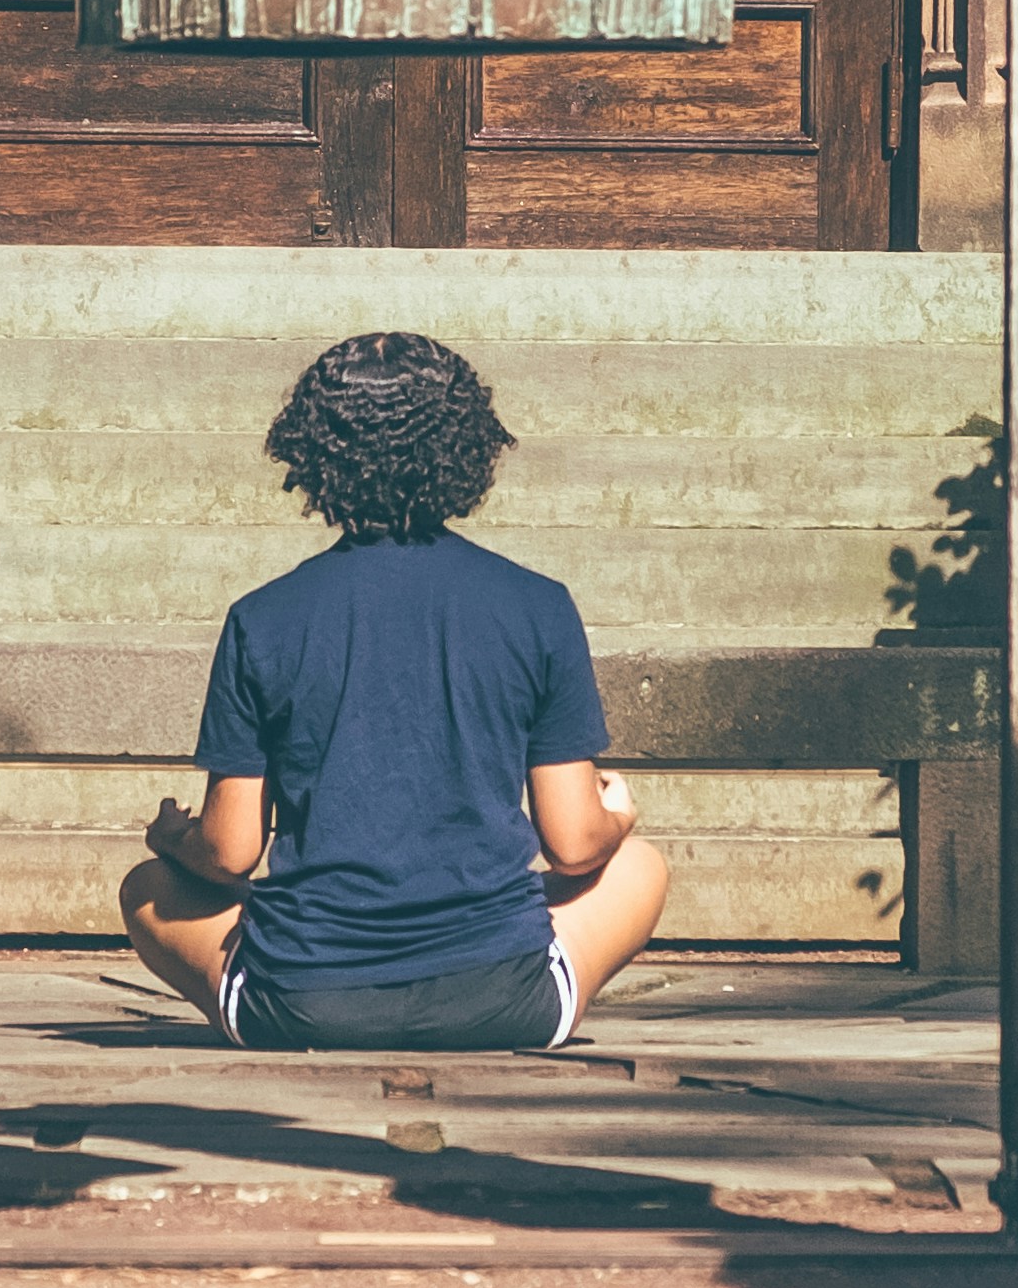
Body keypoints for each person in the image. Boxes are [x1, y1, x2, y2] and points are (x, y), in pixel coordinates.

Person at [119, 329, 668, 1051]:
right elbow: (573, 845)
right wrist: (618, 818)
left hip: (300, 1003)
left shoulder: (262, 618)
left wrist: (174, 839)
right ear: (467, 447)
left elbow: (228, 853)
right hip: (505, 998)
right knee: (641, 867)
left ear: (312, 453)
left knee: (146, 888)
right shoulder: (538, 606)